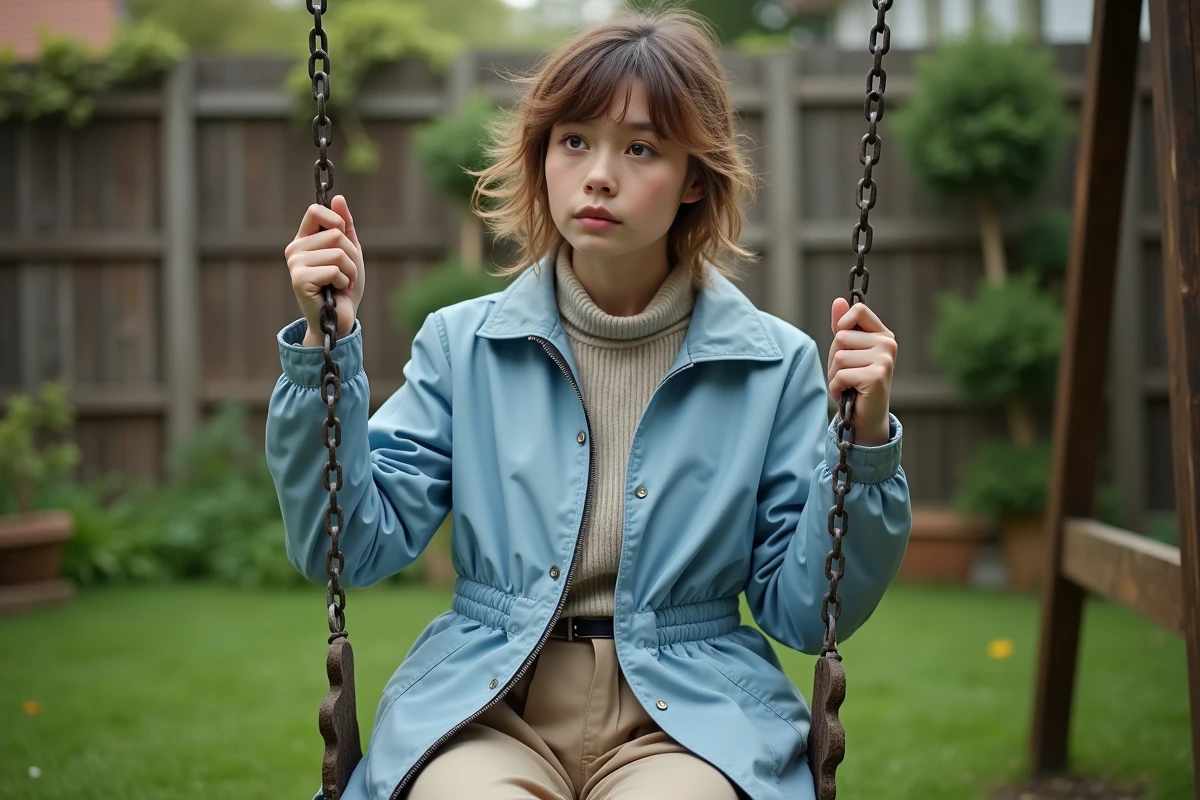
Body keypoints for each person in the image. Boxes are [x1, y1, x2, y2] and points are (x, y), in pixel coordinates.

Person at [268, 8, 910, 800]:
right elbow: (349, 543)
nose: (599, 173)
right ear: (542, 157)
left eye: (640, 147)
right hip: (494, 704)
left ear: (694, 181)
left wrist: (867, 438)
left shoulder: (773, 365)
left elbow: (809, 612)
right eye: (574, 140)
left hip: (688, 715)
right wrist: (321, 343)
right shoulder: (463, 348)